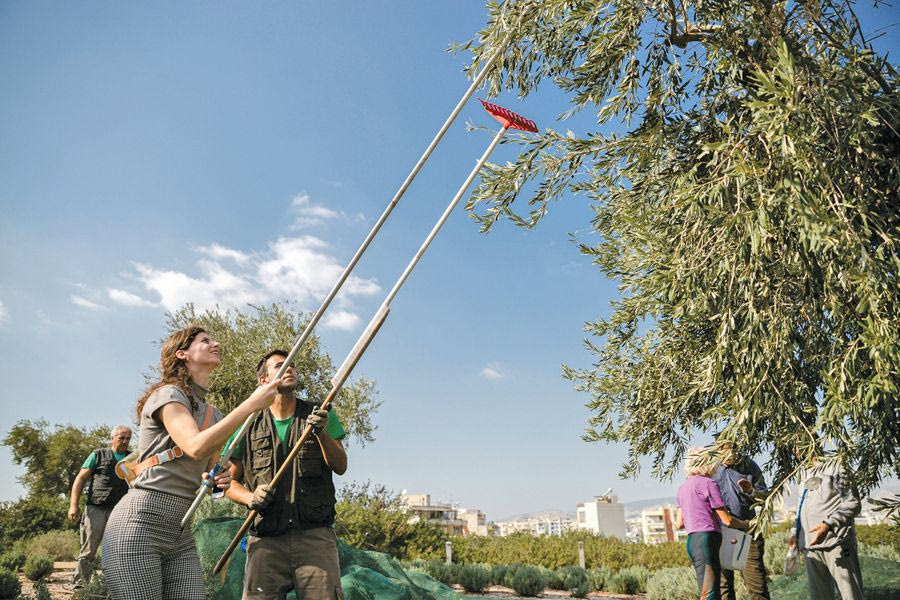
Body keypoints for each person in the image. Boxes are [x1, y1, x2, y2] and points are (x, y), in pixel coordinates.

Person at [102, 326, 281, 600]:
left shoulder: (213, 413)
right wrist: (250, 405)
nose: (215, 343)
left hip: (181, 530)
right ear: (182, 354)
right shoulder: (168, 395)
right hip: (140, 521)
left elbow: (211, 475)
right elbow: (195, 447)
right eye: (205, 340)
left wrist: (219, 481)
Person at [226, 349, 348, 600]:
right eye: (281, 365)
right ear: (264, 380)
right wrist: (249, 498)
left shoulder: (321, 412)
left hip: (315, 539)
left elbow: (340, 465)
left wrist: (321, 432)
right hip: (265, 542)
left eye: (292, 365)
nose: (289, 368)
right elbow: (227, 482)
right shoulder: (247, 423)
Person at [676, 447, 749, 600]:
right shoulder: (708, 483)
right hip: (707, 541)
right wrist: (744, 524)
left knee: (706, 589)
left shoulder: (682, 488)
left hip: (692, 542)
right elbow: (726, 519)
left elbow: (678, 523)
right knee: (711, 593)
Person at [68, 425, 132, 587]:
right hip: (95, 508)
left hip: (120, 511)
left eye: (128, 438)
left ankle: (111, 586)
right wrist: (73, 505)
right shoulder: (97, 455)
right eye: (121, 438)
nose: (125, 441)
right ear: (113, 438)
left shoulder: (132, 458)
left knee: (117, 550)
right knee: (89, 549)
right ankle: (80, 585)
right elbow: (80, 479)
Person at [790, 458, 863, 600]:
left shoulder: (837, 466)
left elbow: (853, 502)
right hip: (810, 547)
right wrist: (795, 532)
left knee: (850, 595)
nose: (796, 450)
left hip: (837, 543)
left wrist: (828, 524)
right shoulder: (803, 472)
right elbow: (801, 508)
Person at [712, 440, 770, 600]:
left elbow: (765, 497)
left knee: (756, 586)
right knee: (724, 588)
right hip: (721, 533)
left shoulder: (750, 466)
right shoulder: (711, 468)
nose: (726, 456)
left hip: (747, 531)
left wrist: (751, 491)